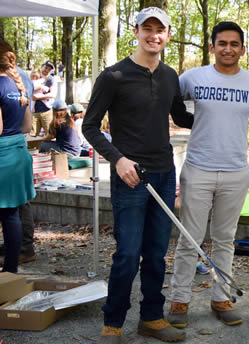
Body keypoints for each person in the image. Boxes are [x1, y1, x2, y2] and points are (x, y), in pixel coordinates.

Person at [82, 7, 194, 343]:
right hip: (130, 177)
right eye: (148, 28)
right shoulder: (113, 76)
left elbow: (180, 116)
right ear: (136, 31)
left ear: (169, 35)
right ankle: (113, 323)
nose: (154, 35)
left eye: (160, 30)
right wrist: (117, 159)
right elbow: (89, 126)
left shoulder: (170, 75)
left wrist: (219, 116)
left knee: (157, 253)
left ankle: (152, 318)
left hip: (163, 173)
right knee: (128, 254)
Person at [167, 20, 249, 329]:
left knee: (225, 239)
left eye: (234, 44)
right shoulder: (192, 78)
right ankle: (179, 300)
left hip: (237, 172)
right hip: (197, 170)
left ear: (242, 49)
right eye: (221, 43)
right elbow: (169, 104)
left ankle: (221, 298)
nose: (227, 48)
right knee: (189, 240)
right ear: (212, 46)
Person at [0, 39, 35, 273]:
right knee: (10, 215)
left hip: (2, 155)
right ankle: (10, 272)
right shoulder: (19, 85)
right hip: (18, 153)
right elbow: (26, 126)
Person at [31, 61, 55, 137]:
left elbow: (52, 94)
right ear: (42, 67)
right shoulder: (35, 77)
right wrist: (39, 88)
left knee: (49, 134)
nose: (46, 70)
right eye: (46, 67)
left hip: (46, 111)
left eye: (49, 69)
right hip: (34, 111)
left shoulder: (51, 80)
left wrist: (38, 97)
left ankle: (47, 148)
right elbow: (29, 90)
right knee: (32, 134)